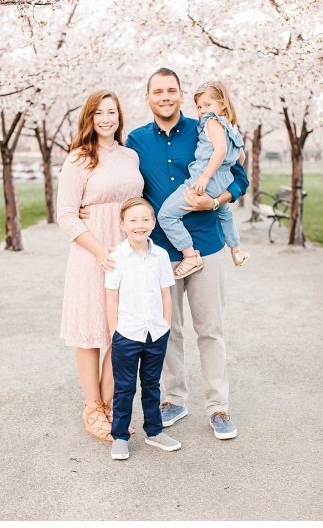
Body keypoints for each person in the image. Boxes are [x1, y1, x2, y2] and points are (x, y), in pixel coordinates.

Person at [125, 67, 248, 440]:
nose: (165, 97)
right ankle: (173, 399)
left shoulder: (204, 127)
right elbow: (126, 185)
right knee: (168, 329)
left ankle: (218, 406)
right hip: (160, 252)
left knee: (211, 330)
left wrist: (215, 200)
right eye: (157, 91)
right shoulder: (135, 140)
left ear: (180, 95)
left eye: (171, 90)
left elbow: (238, 177)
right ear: (147, 98)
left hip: (206, 247)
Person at [57, 90, 143, 441]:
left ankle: (110, 406)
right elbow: (65, 214)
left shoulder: (131, 156)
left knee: (121, 333)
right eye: (99, 113)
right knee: (92, 332)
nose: (107, 119)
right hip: (92, 253)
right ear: (89, 118)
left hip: (127, 253)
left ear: (119, 117)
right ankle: (92, 407)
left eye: (112, 112)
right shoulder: (78, 159)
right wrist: (98, 249)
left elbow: (138, 202)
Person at [106, 197, 180, 460]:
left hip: (155, 333)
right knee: (125, 387)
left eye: (146, 219)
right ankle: (120, 436)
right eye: (133, 220)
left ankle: (155, 431)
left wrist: (166, 325)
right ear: (123, 224)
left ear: (154, 222)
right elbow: (111, 297)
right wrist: (115, 331)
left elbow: (166, 294)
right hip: (127, 333)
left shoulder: (160, 256)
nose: (140, 225)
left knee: (152, 384)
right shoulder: (116, 257)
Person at [158, 80, 249, 278]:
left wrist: (206, 176)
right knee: (224, 214)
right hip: (224, 180)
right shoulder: (231, 127)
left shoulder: (211, 121)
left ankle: (190, 256)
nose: (202, 111)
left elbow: (221, 150)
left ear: (222, 103)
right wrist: (225, 173)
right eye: (199, 106)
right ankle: (236, 250)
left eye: (207, 105)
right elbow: (241, 158)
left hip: (205, 180)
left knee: (166, 215)